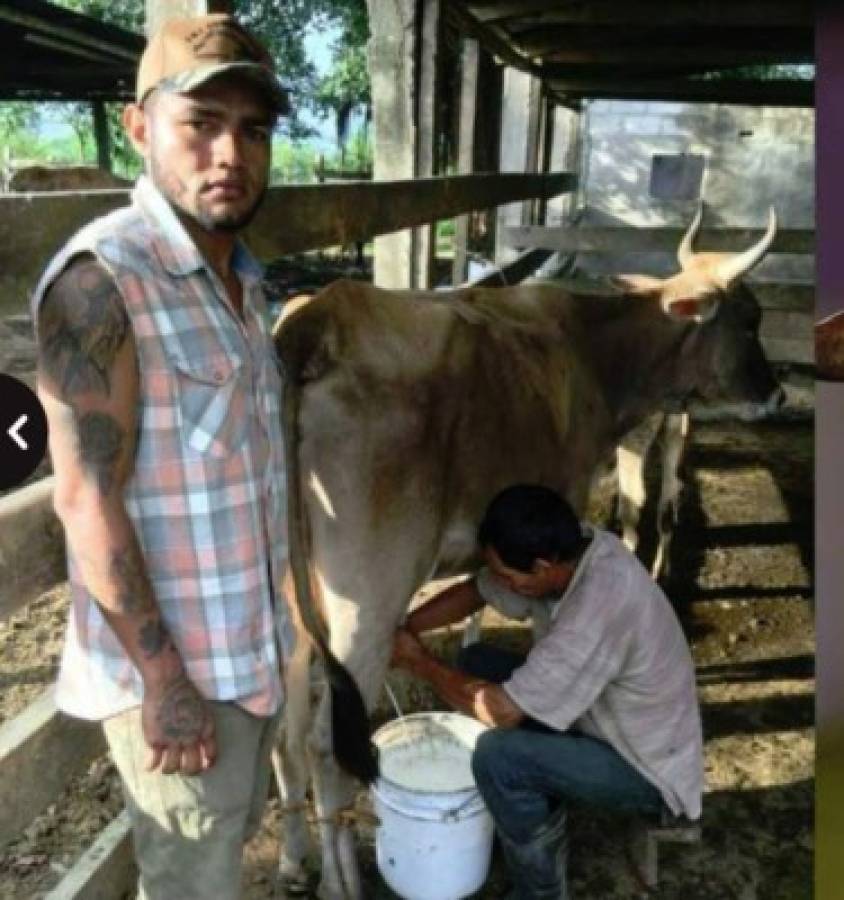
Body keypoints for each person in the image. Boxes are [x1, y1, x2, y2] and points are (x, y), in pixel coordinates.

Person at [32, 15, 292, 899]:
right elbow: (84, 500)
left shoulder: (245, 282)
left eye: (253, 130)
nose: (230, 153)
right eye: (201, 123)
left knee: (217, 856)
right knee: (192, 883)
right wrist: (164, 678)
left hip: (249, 656)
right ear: (140, 126)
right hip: (182, 681)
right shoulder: (102, 283)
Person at [391, 484, 703, 900]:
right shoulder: (575, 552)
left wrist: (418, 662)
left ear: (542, 567)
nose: (501, 582)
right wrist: (406, 628)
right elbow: (477, 589)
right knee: (474, 665)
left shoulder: (599, 606)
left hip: (641, 763)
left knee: (498, 755)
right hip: (600, 711)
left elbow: (500, 712)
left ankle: (539, 890)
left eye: (509, 577)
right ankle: (529, 801)